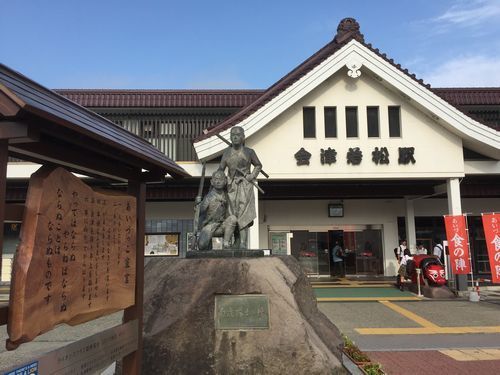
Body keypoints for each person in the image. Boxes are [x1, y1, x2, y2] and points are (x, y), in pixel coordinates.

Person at [218, 126, 262, 249]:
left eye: (238, 134)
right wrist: (218, 180)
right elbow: (221, 170)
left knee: (244, 214)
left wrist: (252, 175)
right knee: (232, 215)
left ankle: (243, 243)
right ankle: (234, 242)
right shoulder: (226, 153)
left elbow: (258, 165)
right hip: (231, 187)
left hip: (245, 186)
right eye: (232, 135)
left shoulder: (249, 152)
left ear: (243, 137)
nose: (235, 137)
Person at [196, 170, 237, 250]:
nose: (218, 182)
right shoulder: (208, 197)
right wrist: (198, 204)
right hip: (210, 225)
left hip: (223, 226)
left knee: (233, 219)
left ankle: (226, 243)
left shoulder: (227, 196)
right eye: (215, 179)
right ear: (211, 182)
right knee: (202, 246)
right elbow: (201, 211)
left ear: (225, 181)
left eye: (220, 179)